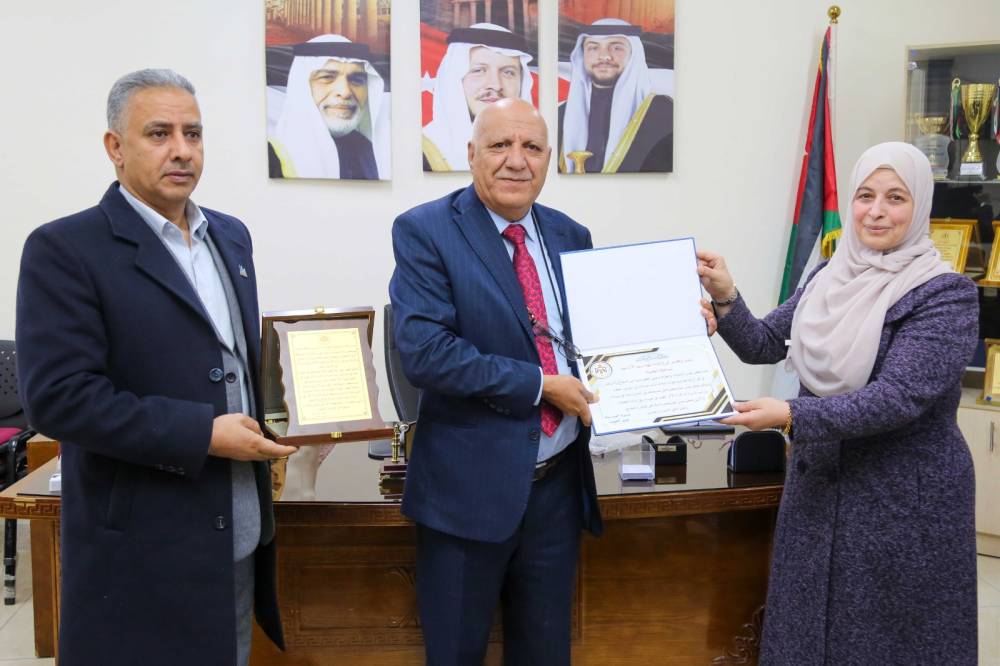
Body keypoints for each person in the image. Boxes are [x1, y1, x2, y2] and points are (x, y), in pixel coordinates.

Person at [16, 69, 297, 666]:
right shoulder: (65, 249)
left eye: (193, 133)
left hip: (237, 532)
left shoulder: (230, 237)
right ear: (115, 147)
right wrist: (203, 434)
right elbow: (60, 398)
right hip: (141, 546)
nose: (182, 150)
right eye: (159, 133)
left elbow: (228, 363)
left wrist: (287, 413)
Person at [698, 142, 979, 664]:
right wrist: (726, 296)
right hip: (820, 492)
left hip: (901, 504)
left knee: (888, 645)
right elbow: (766, 342)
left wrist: (790, 415)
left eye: (896, 198)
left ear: (920, 204)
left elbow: (896, 398)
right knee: (809, 639)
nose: (876, 211)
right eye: (865, 195)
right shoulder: (829, 275)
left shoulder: (945, 295)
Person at [390, 98, 602, 664]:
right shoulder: (426, 230)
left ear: (549, 158)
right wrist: (541, 385)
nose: (516, 160)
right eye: (500, 145)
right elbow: (427, 353)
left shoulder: (570, 234)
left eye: (531, 147)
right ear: (471, 153)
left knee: (545, 655)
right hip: (467, 494)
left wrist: (675, 332)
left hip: (557, 490)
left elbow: (594, 340)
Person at [559, 18, 673, 174]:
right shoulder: (561, 114)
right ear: (582, 55)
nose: (604, 56)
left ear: (634, 55)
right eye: (593, 48)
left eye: (616, 47)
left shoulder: (663, 112)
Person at [269, 34, 390, 180]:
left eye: (356, 79)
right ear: (302, 87)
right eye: (327, 77)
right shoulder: (273, 155)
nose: (345, 92)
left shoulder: (371, 153)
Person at [422, 23, 534, 171]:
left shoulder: (536, 153)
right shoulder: (423, 152)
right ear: (454, 80)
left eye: (508, 72)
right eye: (479, 70)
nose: (495, 85)